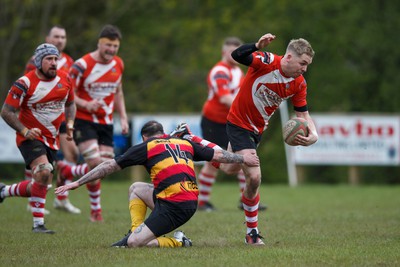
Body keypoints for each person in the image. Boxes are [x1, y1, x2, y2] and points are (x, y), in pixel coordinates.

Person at [54, 120, 259, 248]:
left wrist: (78, 183)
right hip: (186, 200)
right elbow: (219, 155)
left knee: (135, 243)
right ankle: (136, 231)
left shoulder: (146, 146)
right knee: (136, 187)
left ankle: (178, 241)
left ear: (144, 137)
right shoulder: (184, 142)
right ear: (163, 133)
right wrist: (242, 159)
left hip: (175, 206)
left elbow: (108, 166)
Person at [218, 33, 319, 245]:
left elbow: (302, 114)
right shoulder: (267, 61)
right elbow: (237, 55)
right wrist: (256, 45)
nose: (305, 69)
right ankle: (252, 234)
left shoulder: (299, 83)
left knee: (229, 168)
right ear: (289, 57)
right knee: (254, 177)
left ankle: (201, 149)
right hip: (238, 123)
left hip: (256, 131)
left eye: (307, 65)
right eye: (303, 63)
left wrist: (314, 134)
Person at [0, 43, 76, 234]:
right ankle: (38, 225)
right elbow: (6, 112)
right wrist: (25, 131)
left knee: (42, 184)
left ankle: (4, 191)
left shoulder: (66, 79)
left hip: (52, 139)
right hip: (29, 138)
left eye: (55, 59)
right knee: (43, 171)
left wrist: (71, 124)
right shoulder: (24, 83)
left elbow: (71, 104)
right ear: (38, 61)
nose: (53, 63)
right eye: (48, 59)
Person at [67, 24, 129, 222]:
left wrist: (124, 117)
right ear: (99, 43)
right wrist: (85, 103)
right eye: (107, 45)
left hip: (107, 122)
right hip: (84, 120)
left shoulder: (118, 64)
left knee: (105, 167)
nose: (111, 50)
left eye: (115, 46)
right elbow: (67, 93)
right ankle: (96, 211)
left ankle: (69, 170)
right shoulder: (81, 65)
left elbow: (118, 92)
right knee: (95, 163)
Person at [198, 37, 267, 212]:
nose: (235, 55)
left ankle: (246, 198)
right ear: (223, 52)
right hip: (214, 121)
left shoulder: (238, 71)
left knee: (242, 158)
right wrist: (250, 110)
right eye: (231, 51)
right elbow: (224, 97)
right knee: (213, 161)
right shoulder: (219, 71)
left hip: (232, 121)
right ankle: (202, 201)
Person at [24, 25, 81, 214]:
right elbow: (26, 89)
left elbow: (70, 91)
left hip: (61, 118)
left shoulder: (69, 61)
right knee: (39, 162)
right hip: (39, 118)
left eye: (63, 37)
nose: (60, 40)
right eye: (56, 36)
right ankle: (33, 198)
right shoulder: (35, 61)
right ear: (47, 37)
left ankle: (61, 198)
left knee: (72, 153)